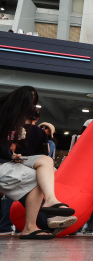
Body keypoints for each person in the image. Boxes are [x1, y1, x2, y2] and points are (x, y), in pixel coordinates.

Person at [0, 86, 76, 239]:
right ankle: (30, 227)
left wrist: (12, 154)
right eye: (31, 103)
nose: (31, 108)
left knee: (45, 161)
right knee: (36, 177)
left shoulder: (15, 121)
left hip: (10, 160)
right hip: (5, 162)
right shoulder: (4, 117)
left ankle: (50, 200)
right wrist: (10, 154)